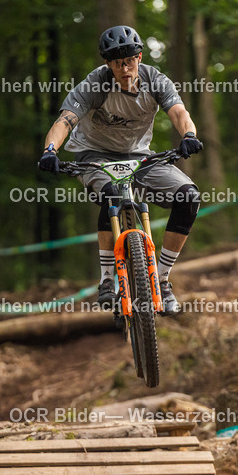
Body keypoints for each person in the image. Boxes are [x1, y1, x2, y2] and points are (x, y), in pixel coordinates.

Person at [38, 25, 202, 315]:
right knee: (111, 193)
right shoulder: (95, 84)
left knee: (188, 196)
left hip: (139, 156)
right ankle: (106, 280)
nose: (124, 69)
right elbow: (66, 120)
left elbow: (179, 112)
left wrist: (188, 135)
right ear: (107, 64)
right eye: (117, 63)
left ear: (139, 57)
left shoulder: (156, 81)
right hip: (94, 154)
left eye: (129, 61)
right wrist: (50, 150)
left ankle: (162, 279)